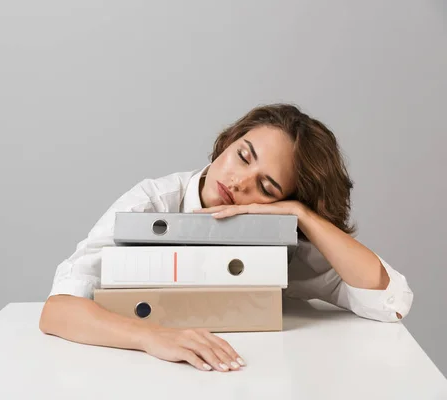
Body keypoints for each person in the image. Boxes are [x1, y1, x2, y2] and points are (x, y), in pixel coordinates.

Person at [39, 103, 414, 373]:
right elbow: (58, 310)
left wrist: (303, 215)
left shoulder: (283, 244)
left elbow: (388, 298)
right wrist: (153, 338)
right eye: (243, 155)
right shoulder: (152, 203)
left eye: (266, 187)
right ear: (228, 142)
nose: (238, 182)